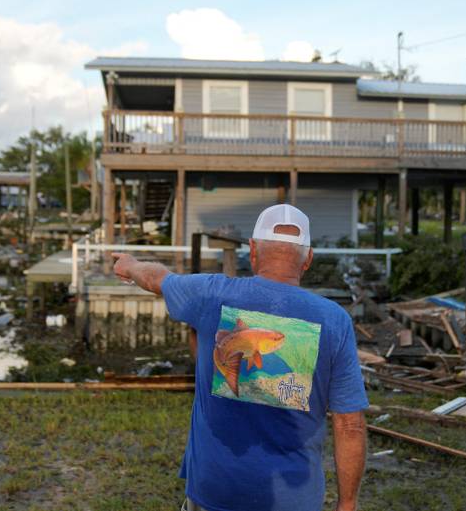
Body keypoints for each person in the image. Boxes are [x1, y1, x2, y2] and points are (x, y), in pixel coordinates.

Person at [111, 204, 368, 511]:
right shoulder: (335, 320)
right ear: (308, 259)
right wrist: (348, 504)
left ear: (254, 250)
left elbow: (156, 278)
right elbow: (349, 425)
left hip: (215, 491)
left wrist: (130, 264)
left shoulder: (210, 293)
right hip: (293, 498)